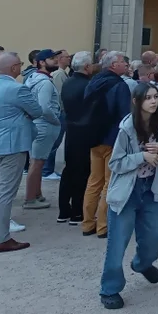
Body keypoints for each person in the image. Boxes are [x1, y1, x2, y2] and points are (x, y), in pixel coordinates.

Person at [99, 82, 158, 309]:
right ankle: (109, 289)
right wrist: (142, 157)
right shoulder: (127, 128)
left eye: (155, 97)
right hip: (126, 192)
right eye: (148, 97)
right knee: (117, 244)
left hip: (150, 189)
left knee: (155, 234)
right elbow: (116, 163)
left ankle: (142, 264)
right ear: (136, 101)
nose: (153, 101)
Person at [0, 52, 41, 252]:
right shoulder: (17, 88)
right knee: (5, 192)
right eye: (20, 64)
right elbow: (37, 111)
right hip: (12, 146)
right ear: (14, 67)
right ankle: (1, 238)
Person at [83, 52, 137, 238]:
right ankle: (103, 226)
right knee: (109, 182)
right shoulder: (119, 85)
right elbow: (124, 115)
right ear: (113, 65)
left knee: (94, 181)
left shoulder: (93, 81)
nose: (126, 65)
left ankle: (88, 223)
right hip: (112, 137)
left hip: (93, 135)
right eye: (123, 62)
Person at [58, 52, 94, 225]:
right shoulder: (88, 85)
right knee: (83, 171)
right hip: (85, 131)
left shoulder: (68, 82)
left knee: (69, 169)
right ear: (87, 67)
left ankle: (63, 210)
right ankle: (78, 212)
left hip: (71, 129)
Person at [23, 49, 62, 209]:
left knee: (37, 161)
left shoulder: (33, 78)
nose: (56, 61)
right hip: (44, 125)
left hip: (37, 124)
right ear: (41, 62)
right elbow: (44, 107)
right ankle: (30, 198)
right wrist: (56, 120)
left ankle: (36, 194)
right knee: (37, 162)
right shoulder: (45, 82)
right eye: (52, 58)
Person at [43, 49, 71, 180]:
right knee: (54, 141)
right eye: (66, 57)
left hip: (61, 112)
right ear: (60, 59)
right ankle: (47, 170)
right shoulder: (59, 74)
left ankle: (48, 168)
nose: (69, 59)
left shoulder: (62, 73)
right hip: (60, 112)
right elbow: (60, 95)